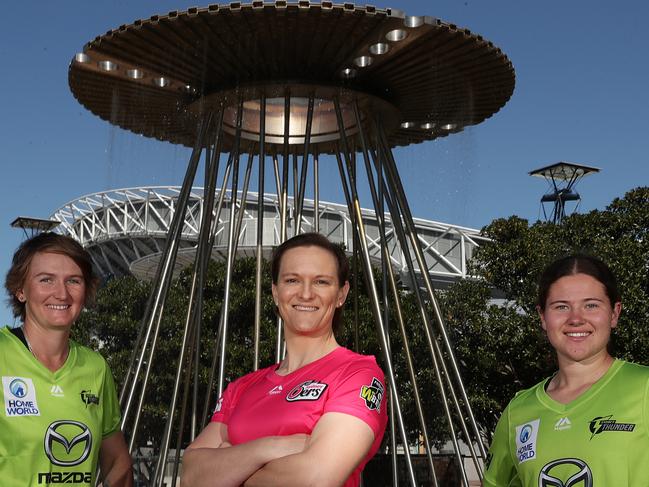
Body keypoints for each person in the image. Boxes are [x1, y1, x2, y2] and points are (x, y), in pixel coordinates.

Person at [182, 232, 387, 487]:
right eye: (292, 280)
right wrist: (270, 447)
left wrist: (228, 465)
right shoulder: (241, 388)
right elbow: (191, 475)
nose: (305, 294)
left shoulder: (357, 374)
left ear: (341, 294)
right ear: (276, 292)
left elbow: (315, 478)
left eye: (321, 282)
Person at [483, 254, 649, 486]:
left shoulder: (644, 388)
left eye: (591, 305)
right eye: (561, 307)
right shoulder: (518, 412)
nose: (576, 319)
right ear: (543, 317)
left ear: (614, 313)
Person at [1, 233, 133, 487]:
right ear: (20, 290)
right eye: (46, 280)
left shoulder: (95, 367)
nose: (61, 293)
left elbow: (117, 462)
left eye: (73, 281)